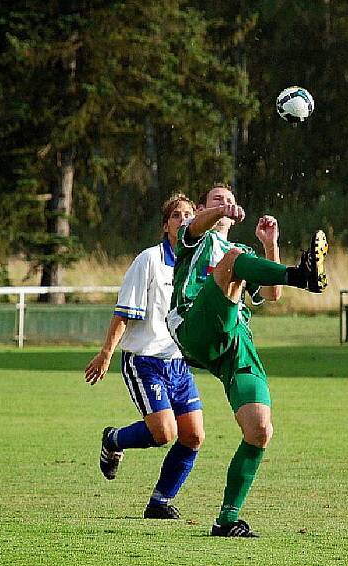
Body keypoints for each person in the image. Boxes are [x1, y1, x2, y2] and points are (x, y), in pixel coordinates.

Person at [167, 183, 328, 537]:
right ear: (200, 207)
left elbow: (271, 295)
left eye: (230, 201)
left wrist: (270, 244)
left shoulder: (241, 250)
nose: (225, 204)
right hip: (194, 323)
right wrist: (218, 215)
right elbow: (194, 227)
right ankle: (303, 275)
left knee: (259, 430)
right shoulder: (193, 237)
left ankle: (227, 519)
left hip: (234, 339)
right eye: (216, 201)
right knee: (233, 263)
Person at [85, 193, 203, 520]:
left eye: (189, 215)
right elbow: (124, 313)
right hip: (144, 361)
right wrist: (106, 353)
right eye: (177, 216)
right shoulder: (149, 260)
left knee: (193, 436)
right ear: (166, 225)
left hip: (178, 363)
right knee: (165, 433)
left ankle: (160, 502)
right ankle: (114, 439)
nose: (184, 221)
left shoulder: (196, 266)